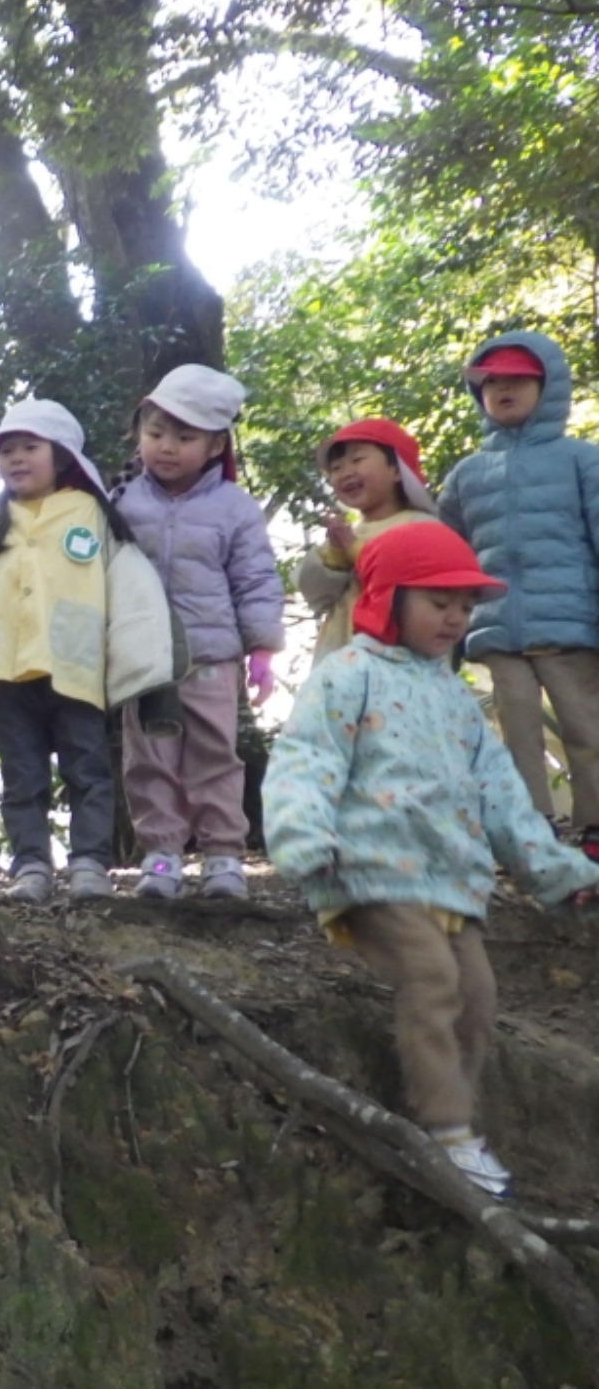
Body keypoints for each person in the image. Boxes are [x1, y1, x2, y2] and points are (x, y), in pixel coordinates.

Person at [263, 521, 599, 1196]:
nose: (454, 617)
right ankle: (446, 1133)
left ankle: (457, 1120)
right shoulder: (348, 674)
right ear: (388, 597)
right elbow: (307, 758)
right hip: (367, 869)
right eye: (436, 601)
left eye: (465, 606)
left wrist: (564, 875)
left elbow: (504, 798)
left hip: (453, 883)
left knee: (477, 998)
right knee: (431, 978)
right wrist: (304, 835)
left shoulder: (456, 699)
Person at [0, 399, 184, 902]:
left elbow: (131, 590)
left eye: (28, 447)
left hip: (76, 669)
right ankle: (31, 866)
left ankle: (89, 866)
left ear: (61, 457)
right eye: (6, 450)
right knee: (22, 776)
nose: (14, 458)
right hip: (5, 675)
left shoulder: (92, 515)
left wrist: (144, 667)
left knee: (88, 772)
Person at [113, 365, 286, 900]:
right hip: (143, 655)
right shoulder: (121, 501)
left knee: (214, 753)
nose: (166, 447)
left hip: (213, 652)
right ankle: (162, 854)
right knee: (148, 756)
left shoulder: (234, 507)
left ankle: (223, 856)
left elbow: (256, 577)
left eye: (184, 437)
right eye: (155, 433)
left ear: (215, 446)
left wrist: (261, 648)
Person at [437, 331, 599, 864]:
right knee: (516, 732)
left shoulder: (580, 459)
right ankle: (533, 829)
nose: (503, 389)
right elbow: (446, 550)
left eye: (516, 380)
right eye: (491, 382)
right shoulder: (466, 474)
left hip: (572, 622)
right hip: (496, 626)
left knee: (586, 727)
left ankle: (595, 827)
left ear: (546, 387)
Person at [295, 417, 440, 661]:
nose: (345, 472)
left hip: (398, 669)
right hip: (338, 665)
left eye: (357, 460)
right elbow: (315, 597)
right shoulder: (350, 532)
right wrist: (333, 555)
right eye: (336, 468)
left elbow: (406, 585)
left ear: (396, 469)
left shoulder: (422, 526)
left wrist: (354, 549)